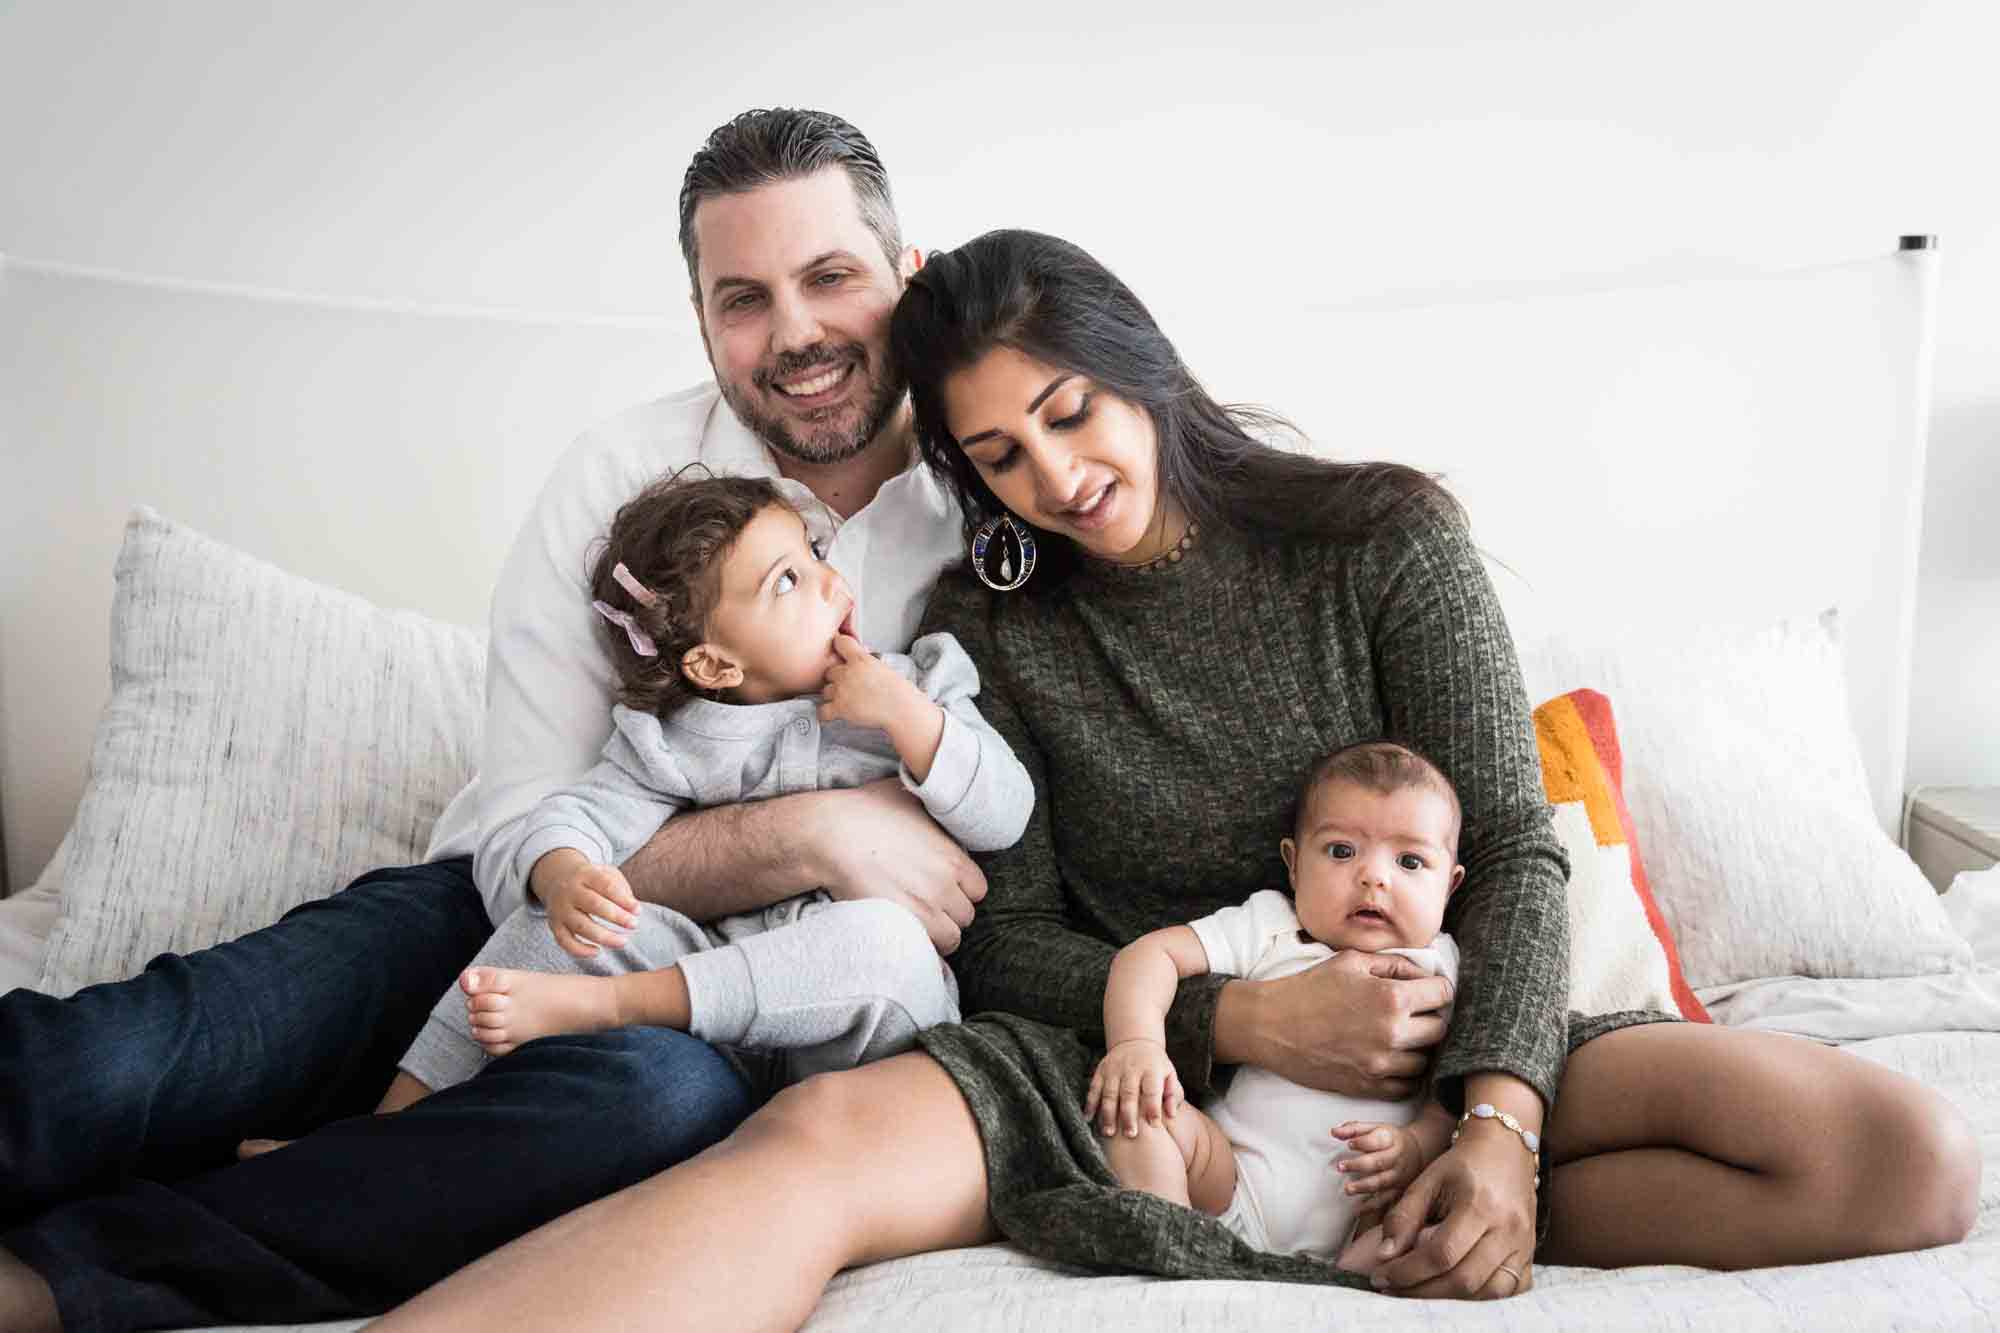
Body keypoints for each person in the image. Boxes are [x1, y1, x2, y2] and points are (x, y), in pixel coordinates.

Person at [370, 228, 1979, 1331]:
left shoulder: (1380, 543)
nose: (1058, 476)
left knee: (1905, 1157)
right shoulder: (986, 634)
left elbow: (1513, 848)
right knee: (809, 1157)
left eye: (1069, 414)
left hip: (1432, 1030)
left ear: (1135, 361)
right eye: (997, 457)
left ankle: (1446, 1206)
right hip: (1117, 1063)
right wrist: (1243, 1023)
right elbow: (1006, 941)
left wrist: (1497, 1115)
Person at [0, 108, 1001, 1330]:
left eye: (830, 278)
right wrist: (815, 836)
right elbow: (526, 822)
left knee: (648, 1108)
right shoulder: (617, 476)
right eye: (742, 298)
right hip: (502, 910)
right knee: (121, 1061)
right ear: (699, 319)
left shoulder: (993, 496)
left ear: (907, 275)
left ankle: (59, 1280)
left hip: (734, 1018)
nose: (792, 333)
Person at [387, 471, 1029, 1101]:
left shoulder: (920, 682)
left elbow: (1005, 813)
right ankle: (389, 1121)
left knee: (886, 943)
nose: (831, 582)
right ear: (715, 664)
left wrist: (907, 715)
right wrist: (563, 876)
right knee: (548, 930)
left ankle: (611, 1005)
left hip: (868, 1038)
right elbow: (580, 815)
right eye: (788, 581)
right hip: (717, 1033)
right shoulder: (678, 739)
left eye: (813, 554)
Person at [1085, 740, 1463, 1273]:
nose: (1374, 877)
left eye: (1409, 861)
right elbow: (1151, 954)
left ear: (1449, 886)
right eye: (1340, 851)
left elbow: (1455, 1094)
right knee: (1140, 1114)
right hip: (1229, 1187)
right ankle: (1169, 1246)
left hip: (1369, 1214)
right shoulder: (1271, 926)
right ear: (1293, 864)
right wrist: (1137, 1045)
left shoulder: (1442, 969)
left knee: (1441, 1210)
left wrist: (1416, 1149)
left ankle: (1347, 1285)